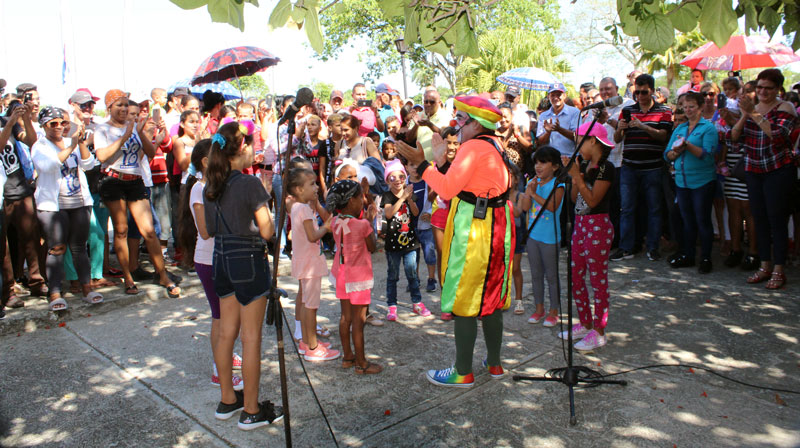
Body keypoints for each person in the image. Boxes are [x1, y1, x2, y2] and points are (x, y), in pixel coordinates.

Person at [397, 96, 513, 388]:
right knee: (491, 295)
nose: (457, 125)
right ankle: (495, 363)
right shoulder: (495, 144)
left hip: (476, 229)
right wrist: (439, 161)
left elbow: (448, 189)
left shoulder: (473, 146)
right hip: (498, 225)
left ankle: (463, 371)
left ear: (476, 124)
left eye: (461, 119)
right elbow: (466, 181)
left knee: (464, 295)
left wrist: (421, 164)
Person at [203, 121, 283, 429]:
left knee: (227, 333)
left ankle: (227, 399)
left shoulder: (212, 184)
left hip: (220, 259)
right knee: (251, 339)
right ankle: (251, 410)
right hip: (248, 260)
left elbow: (209, 230)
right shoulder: (249, 184)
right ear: (243, 148)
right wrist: (268, 208)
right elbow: (267, 230)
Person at [94, 90, 180, 298]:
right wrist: (124, 137)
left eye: (126, 105)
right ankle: (128, 277)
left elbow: (150, 153)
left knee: (149, 231)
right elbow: (102, 156)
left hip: (135, 181)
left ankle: (162, 275)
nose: (123, 109)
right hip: (113, 181)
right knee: (121, 230)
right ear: (109, 108)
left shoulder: (133, 127)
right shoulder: (102, 129)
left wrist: (140, 133)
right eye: (119, 105)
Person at [179, 139, 245, 389]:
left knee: (229, 316)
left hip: (224, 257)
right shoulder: (199, 189)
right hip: (210, 260)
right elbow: (205, 231)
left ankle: (224, 356)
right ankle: (220, 368)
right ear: (206, 162)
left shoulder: (216, 187)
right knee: (221, 317)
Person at [730, 69, 798, 290]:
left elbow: (778, 135)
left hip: (778, 170)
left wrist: (754, 114)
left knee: (776, 220)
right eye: (759, 87)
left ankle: (778, 268)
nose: (762, 92)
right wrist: (744, 114)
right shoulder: (752, 108)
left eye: (768, 88)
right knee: (759, 220)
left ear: (778, 89)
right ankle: (764, 264)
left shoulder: (785, 108)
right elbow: (734, 136)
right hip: (753, 169)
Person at [31, 107, 104, 311]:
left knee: (80, 247)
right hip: (53, 206)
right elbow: (48, 167)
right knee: (56, 248)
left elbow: (89, 165)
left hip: (79, 202)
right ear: (44, 126)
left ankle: (87, 288)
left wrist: (78, 143)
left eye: (63, 123)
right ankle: (54, 292)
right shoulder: (40, 146)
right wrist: (71, 146)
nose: (59, 127)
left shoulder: (71, 143)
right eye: (53, 123)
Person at [561, 122, 616, 351]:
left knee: (597, 279)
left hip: (598, 226)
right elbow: (576, 199)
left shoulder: (606, 167)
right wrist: (575, 177)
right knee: (576, 276)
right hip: (581, 224)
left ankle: (599, 330)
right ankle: (585, 322)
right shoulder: (583, 164)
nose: (578, 146)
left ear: (593, 140)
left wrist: (579, 178)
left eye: (580, 140)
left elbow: (593, 200)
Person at [612, 74, 673, 261]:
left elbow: (663, 136)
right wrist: (620, 128)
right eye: (636, 92)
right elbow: (617, 140)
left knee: (654, 208)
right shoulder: (628, 110)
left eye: (644, 91)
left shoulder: (664, 110)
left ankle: (652, 246)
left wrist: (643, 126)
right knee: (627, 208)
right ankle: (626, 247)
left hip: (653, 167)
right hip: (629, 166)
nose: (640, 95)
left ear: (652, 91)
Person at [325, 179, 382, 374]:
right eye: (360, 197)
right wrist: (370, 220)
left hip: (342, 274)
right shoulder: (362, 225)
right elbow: (372, 247)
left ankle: (347, 356)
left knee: (345, 318)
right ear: (350, 202)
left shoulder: (335, 222)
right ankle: (361, 363)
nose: (363, 200)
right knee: (359, 321)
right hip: (359, 278)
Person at [287, 168, 339, 361]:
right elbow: (312, 236)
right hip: (310, 264)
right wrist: (326, 227)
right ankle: (312, 346)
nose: (316, 187)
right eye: (312, 184)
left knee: (304, 302)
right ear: (299, 189)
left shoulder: (296, 207)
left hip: (304, 262)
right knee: (311, 305)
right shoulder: (304, 210)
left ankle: (306, 341)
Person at [664, 92, 720, 273]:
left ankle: (705, 257)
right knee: (687, 220)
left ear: (701, 107)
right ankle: (688, 254)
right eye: (685, 107)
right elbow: (667, 154)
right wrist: (676, 152)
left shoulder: (708, 128)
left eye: (692, 107)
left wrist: (686, 146)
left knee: (702, 219)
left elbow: (707, 155)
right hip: (682, 181)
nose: (688, 110)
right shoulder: (680, 128)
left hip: (702, 181)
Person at [0, 100, 47, 306]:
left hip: (20, 189)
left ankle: (36, 282)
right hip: (2, 194)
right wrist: (10, 123)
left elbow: (30, 140)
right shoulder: (7, 122)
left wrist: (26, 118)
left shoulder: (6, 121)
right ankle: (9, 291)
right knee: (4, 248)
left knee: (30, 237)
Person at [382, 159, 429, 321]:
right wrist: (402, 198)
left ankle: (417, 302)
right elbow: (388, 214)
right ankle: (392, 305)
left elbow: (415, 213)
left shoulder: (411, 194)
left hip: (410, 243)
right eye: (392, 178)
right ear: (387, 180)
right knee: (393, 275)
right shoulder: (387, 196)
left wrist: (409, 198)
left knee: (412, 274)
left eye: (401, 177)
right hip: (393, 244)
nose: (398, 181)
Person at [521, 146, 564, 326]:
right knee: (536, 274)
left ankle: (554, 310)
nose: (538, 166)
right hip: (533, 235)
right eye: (536, 162)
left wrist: (533, 193)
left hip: (550, 237)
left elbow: (552, 206)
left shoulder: (558, 185)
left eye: (543, 162)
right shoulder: (532, 182)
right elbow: (524, 207)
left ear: (554, 166)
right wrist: (529, 192)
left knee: (552, 276)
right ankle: (539, 309)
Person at [597, 77, 634, 248]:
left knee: (624, 206)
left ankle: (625, 243)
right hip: (604, 163)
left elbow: (626, 131)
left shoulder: (627, 105)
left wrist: (608, 120)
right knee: (609, 205)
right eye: (602, 89)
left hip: (623, 162)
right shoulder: (598, 108)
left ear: (617, 88)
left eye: (608, 89)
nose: (605, 92)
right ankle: (611, 240)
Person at [429, 127, 459, 320]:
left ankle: (461, 299)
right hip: (439, 213)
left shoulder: (464, 164)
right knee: (443, 256)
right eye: (448, 142)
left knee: (459, 256)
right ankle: (446, 301)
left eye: (456, 143)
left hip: (459, 214)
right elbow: (431, 194)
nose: (452, 146)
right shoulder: (436, 164)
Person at [536, 83, 580, 158]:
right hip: (550, 159)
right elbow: (540, 142)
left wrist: (559, 129)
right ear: (548, 96)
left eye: (559, 95)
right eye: (553, 95)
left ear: (564, 96)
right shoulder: (543, 116)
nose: (556, 98)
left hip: (569, 157)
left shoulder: (574, 112)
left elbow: (577, 137)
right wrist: (548, 132)